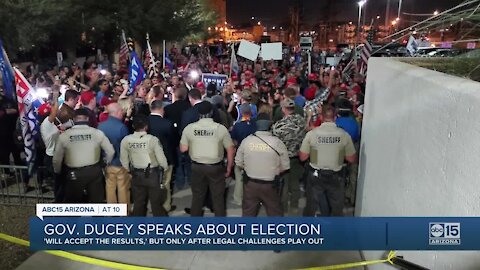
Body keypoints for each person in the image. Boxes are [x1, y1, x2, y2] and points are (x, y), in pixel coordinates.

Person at [299, 106, 356, 216]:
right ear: (335, 117)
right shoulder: (344, 135)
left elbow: (303, 157)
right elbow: (351, 158)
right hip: (336, 176)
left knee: (311, 207)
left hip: (316, 175)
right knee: (337, 208)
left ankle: (307, 230)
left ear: (321, 116)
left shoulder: (312, 134)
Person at [180, 101, 235, 217]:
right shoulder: (220, 128)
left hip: (197, 166)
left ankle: (195, 225)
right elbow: (230, 149)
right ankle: (219, 228)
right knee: (218, 198)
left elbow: (183, 149)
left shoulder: (190, 128)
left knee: (197, 198)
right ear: (211, 112)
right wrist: (229, 167)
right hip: (215, 167)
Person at [52, 108, 114, 203]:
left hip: (74, 173)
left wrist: (58, 171)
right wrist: (105, 163)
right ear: (88, 119)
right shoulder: (97, 133)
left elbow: (57, 158)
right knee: (97, 203)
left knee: (73, 205)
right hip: (94, 171)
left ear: (74, 119)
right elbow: (110, 151)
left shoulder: (65, 136)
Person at [235, 113, 290, 217]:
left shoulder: (247, 141)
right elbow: (285, 166)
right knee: (275, 214)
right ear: (270, 126)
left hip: (251, 184)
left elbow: (238, 162)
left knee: (248, 214)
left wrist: (250, 169)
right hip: (271, 185)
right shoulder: (277, 142)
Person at [120, 115, 169, 216]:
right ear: (146, 126)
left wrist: (128, 171)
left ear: (133, 126)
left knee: (138, 203)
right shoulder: (152, 139)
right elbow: (161, 159)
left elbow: (124, 160)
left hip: (136, 174)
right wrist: (165, 169)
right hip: (152, 174)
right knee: (156, 203)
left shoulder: (126, 140)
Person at [272, 98, 307, 215]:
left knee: (284, 185)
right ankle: (294, 207)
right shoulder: (302, 122)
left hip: (283, 159)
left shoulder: (278, 126)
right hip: (297, 158)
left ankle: (284, 209)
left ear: (283, 109)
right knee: (295, 184)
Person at [98, 103, 131, 207]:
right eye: (121, 111)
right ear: (117, 112)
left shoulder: (100, 126)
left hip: (107, 162)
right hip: (120, 162)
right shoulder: (122, 127)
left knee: (110, 188)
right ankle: (123, 213)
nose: (123, 113)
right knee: (123, 188)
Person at [149, 100, 176, 212]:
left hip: (147, 158)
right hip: (165, 156)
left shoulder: (144, 122)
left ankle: (152, 206)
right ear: (161, 109)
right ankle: (165, 205)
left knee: (151, 183)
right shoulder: (167, 124)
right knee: (165, 182)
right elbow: (173, 141)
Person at [230, 103, 257, 206]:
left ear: (241, 112)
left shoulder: (237, 126)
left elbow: (234, 141)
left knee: (239, 177)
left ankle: (238, 199)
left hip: (241, 154)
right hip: (253, 154)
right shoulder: (255, 124)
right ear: (251, 112)